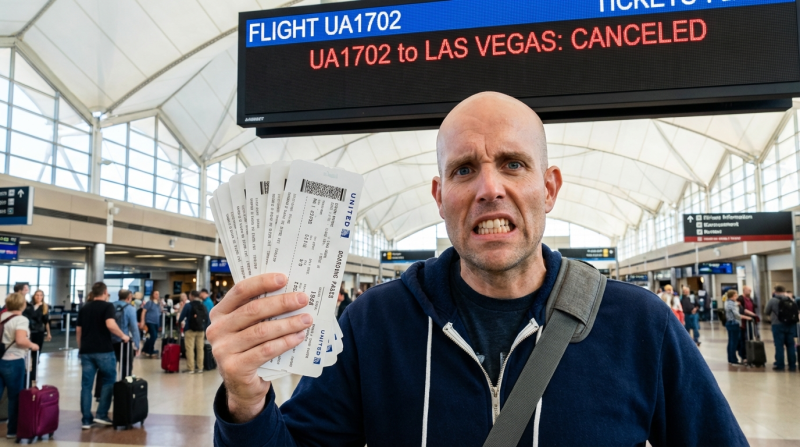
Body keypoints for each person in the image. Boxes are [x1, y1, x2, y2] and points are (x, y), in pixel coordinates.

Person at [207, 92, 746, 446]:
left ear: (549, 188)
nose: (490, 188)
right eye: (465, 169)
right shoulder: (375, 325)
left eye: (513, 163)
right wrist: (246, 403)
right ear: (441, 197)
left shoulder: (638, 324)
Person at [76, 282, 130, 429]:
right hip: (104, 350)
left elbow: (78, 331)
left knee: (86, 386)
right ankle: (101, 415)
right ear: (105, 292)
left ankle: (86, 420)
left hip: (87, 351)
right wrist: (123, 336)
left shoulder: (85, 308)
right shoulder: (108, 307)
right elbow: (110, 325)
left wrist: (81, 349)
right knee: (108, 381)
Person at [0, 293, 39, 439]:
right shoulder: (21, 319)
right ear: (23, 305)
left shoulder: (2, 317)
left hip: (0, 359)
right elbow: (21, 340)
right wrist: (33, 345)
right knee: (14, 397)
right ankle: (12, 430)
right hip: (13, 361)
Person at [764, 285, 798, 371]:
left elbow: (766, 311)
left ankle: (780, 365)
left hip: (777, 325)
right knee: (790, 346)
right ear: (784, 291)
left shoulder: (773, 300)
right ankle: (792, 366)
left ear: (775, 291)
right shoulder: (790, 299)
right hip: (790, 325)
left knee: (779, 346)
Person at [22, 289, 51, 386]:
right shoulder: (29, 306)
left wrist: (48, 333)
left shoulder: (44, 307)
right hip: (30, 332)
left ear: (43, 296)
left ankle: (33, 375)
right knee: (27, 354)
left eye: (41, 295)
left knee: (36, 354)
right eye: (37, 295)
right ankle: (27, 374)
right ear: (34, 296)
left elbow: (46, 322)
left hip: (39, 332)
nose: (39, 297)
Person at [178, 290, 208, 374]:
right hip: (201, 330)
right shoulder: (203, 305)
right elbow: (207, 318)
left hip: (190, 329)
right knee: (200, 349)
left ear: (191, 296)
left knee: (190, 349)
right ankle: (200, 368)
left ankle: (191, 368)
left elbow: (181, 317)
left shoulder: (188, 305)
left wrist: (180, 323)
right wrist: (204, 328)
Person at [112, 289, 140, 377]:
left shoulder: (111, 306)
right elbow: (134, 328)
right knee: (126, 367)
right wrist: (137, 345)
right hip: (124, 342)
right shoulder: (130, 309)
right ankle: (124, 387)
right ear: (129, 298)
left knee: (110, 368)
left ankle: (109, 388)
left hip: (109, 341)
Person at [724, 290, 751, 365]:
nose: (737, 297)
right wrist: (746, 317)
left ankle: (730, 358)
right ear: (732, 296)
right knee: (734, 342)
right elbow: (736, 314)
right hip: (734, 323)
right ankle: (733, 359)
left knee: (731, 341)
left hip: (730, 323)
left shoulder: (728, 302)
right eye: (736, 295)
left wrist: (737, 304)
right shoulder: (731, 303)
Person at [139, 292, 162, 358]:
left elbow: (158, 312)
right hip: (150, 321)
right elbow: (144, 311)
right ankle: (149, 350)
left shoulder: (158, 304)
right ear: (152, 295)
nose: (157, 295)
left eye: (158, 294)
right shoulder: (149, 303)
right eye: (155, 294)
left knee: (153, 336)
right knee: (154, 336)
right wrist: (142, 321)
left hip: (156, 322)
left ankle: (145, 349)